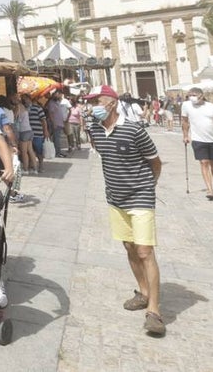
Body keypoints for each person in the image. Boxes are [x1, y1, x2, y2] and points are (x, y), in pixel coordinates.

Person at [83, 84, 165, 337]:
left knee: (144, 251)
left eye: (98, 100)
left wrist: (146, 187)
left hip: (140, 196)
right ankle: (142, 292)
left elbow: (155, 162)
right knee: (129, 247)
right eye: (91, 101)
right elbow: (103, 155)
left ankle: (154, 310)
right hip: (115, 199)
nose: (94, 105)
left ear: (112, 103)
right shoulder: (94, 130)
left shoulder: (133, 130)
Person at [181, 87, 213, 201]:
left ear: (201, 95)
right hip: (198, 139)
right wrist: (185, 135)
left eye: (194, 95)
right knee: (204, 162)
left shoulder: (211, 106)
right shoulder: (186, 105)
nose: (192, 97)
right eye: (190, 95)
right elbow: (185, 121)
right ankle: (209, 189)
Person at [14, 95, 38, 173]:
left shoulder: (18, 106)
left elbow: (16, 117)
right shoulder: (25, 108)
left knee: (24, 152)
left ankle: (25, 169)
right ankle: (35, 169)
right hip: (29, 130)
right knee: (30, 150)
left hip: (23, 131)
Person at [26, 94, 48, 173]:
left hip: (38, 133)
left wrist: (45, 131)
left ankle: (41, 165)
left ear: (30, 99)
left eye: (25, 98)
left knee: (39, 150)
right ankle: (32, 165)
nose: (24, 100)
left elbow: (43, 120)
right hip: (28, 134)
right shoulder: (24, 109)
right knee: (30, 151)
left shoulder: (38, 108)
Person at [46, 90, 70, 157]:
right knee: (56, 138)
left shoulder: (57, 102)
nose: (60, 96)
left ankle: (58, 151)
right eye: (59, 95)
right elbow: (51, 114)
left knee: (57, 138)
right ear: (56, 94)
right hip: (55, 123)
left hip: (59, 123)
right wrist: (53, 123)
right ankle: (57, 152)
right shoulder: (51, 103)